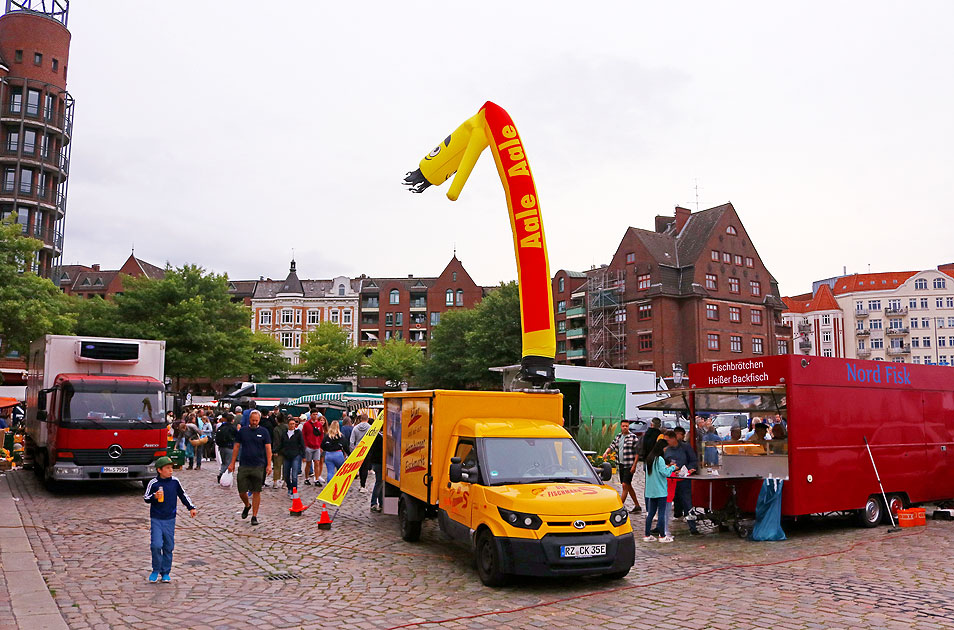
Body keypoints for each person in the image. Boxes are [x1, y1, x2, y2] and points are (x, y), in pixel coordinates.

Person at [143, 456, 196, 583]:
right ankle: (156, 569)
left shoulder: (175, 482)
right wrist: (154, 497)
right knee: (156, 545)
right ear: (159, 470)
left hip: (170, 519)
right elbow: (146, 497)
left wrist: (191, 507)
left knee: (168, 546)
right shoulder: (154, 483)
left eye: (171, 468)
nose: (171, 470)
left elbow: (183, 495)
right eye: (167, 468)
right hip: (156, 518)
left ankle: (166, 572)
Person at [227, 410, 272, 526]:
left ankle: (254, 516)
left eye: (256, 420)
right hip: (244, 464)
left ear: (259, 420)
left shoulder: (264, 432)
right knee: (242, 491)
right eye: (253, 420)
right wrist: (232, 463)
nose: (254, 422)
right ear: (249, 419)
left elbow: (268, 448)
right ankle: (247, 505)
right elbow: (236, 446)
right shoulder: (243, 431)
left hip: (258, 465)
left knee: (257, 491)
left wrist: (269, 465)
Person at [664, 428, 699, 535]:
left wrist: (688, 469)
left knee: (687, 503)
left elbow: (693, 461)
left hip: (683, 480)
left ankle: (692, 526)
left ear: (673, 439)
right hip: (670, 480)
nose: (666, 443)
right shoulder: (666, 449)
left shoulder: (685, 447)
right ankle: (661, 526)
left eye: (667, 440)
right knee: (666, 503)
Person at [602, 419, 642, 513]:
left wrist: (634, 465)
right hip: (621, 464)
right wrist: (606, 452)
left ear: (628, 427)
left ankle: (619, 506)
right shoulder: (619, 436)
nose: (625, 428)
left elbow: (637, 452)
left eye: (627, 426)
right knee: (627, 485)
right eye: (623, 426)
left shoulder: (633, 437)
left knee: (625, 485)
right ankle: (637, 505)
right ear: (621, 426)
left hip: (629, 464)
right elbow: (612, 446)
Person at [643, 439, 676, 543]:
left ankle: (647, 535)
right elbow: (664, 473)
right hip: (660, 490)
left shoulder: (649, 458)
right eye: (665, 448)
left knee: (651, 513)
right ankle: (662, 536)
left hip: (651, 491)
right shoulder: (660, 459)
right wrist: (672, 468)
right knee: (661, 513)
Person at [275, 416, 306, 497]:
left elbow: (302, 444)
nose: (292, 425)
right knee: (286, 474)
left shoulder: (298, 433)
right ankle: (289, 487)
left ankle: (294, 491)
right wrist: (276, 451)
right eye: (291, 424)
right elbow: (281, 444)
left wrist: (303, 455)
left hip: (295, 455)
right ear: (288, 425)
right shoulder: (284, 433)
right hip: (286, 456)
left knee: (294, 475)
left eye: (293, 424)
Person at [351, 413, 373, 493]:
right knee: (365, 468)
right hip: (367, 450)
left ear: (360, 419)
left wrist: (352, 450)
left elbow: (351, 441)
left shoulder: (355, 428)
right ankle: (362, 485)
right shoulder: (371, 428)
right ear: (367, 420)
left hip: (357, 450)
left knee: (358, 467)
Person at [302, 411, 325, 486]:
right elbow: (304, 435)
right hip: (309, 447)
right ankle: (306, 478)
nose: (315, 416)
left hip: (317, 447)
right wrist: (305, 446)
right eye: (314, 414)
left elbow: (321, 435)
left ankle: (316, 479)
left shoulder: (319, 425)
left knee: (317, 463)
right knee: (308, 463)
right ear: (311, 415)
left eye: (316, 414)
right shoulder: (306, 425)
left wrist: (320, 445)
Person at [214, 413, 238, 483]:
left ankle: (221, 474)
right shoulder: (233, 427)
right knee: (228, 462)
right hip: (229, 446)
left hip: (221, 447)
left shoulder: (222, 426)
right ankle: (223, 476)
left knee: (224, 462)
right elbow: (237, 436)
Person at [270, 413, 289, 489]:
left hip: (279, 450)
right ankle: (285, 482)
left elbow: (276, 441)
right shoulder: (287, 427)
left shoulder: (276, 429)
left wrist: (275, 451)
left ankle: (275, 482)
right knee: (286, 467)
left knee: (277, 466)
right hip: (287, 450)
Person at [368, 424, 384, 512]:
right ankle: (373, 503)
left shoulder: (375, 436)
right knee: (379, 483)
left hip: (376, 462)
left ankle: (381, 503)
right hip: (379, 462)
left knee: (380, 483)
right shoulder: (379, 437)